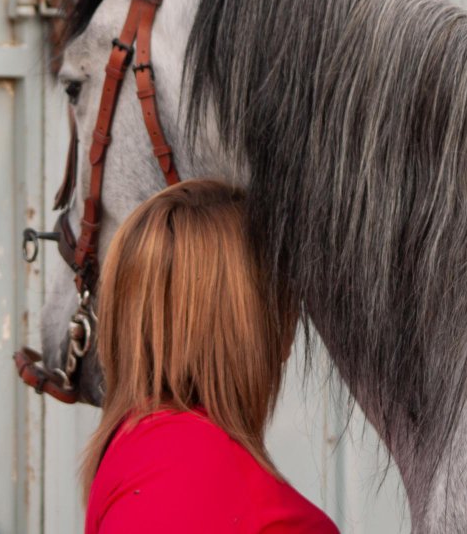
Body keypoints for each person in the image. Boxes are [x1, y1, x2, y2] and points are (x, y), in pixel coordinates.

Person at [82, 179, 338, 533]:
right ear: (252, 322)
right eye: (283, 294)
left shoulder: (129, 446)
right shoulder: (276, 519)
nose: (294, 314)